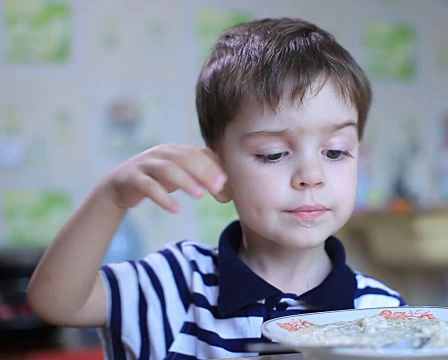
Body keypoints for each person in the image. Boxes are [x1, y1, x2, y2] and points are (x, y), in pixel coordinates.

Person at [27, 17, 406, 359]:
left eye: (336, 151)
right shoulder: (175, 285)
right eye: (273, 154)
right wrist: (111, 198)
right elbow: (55, 302)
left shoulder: (384, 314)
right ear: (219, 171)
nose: (312, 175)